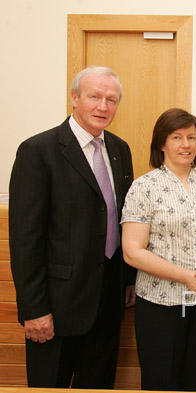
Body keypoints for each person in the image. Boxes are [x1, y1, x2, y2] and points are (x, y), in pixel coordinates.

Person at [9, 65, 135, 388]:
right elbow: (25, 241)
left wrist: (127, 281)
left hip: (107, 305)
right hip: (56, 309)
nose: (103, 107)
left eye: (111, 99)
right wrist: (34, 309)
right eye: (95, 97)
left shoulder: (120, 151)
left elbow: (122, 220)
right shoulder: (38, 151)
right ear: (74, 98)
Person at [121, 108, 196, 391]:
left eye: (191, 137)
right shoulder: (144, 187)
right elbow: (132, 251)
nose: (186, 144)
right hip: (159, 303)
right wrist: (184, 276)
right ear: (161, 143)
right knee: (161, 382)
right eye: (177, 137)